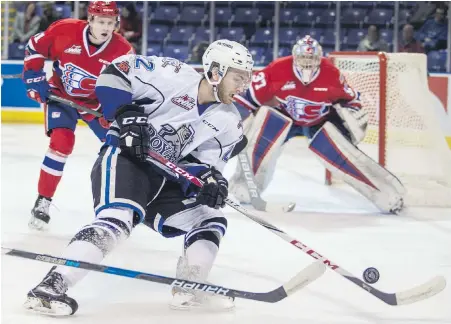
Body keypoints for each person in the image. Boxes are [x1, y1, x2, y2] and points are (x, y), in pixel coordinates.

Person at [24, 39, 253, 315]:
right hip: (125, 160)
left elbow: (203, 165)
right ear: (216, 72)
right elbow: (114, 72)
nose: (243, 86)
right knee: (119, 219)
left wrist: (211, 182)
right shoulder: (172, 74)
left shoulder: (229, 121)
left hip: (164, 180)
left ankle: (191, 284)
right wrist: (127, 113)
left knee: (209, 218)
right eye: (239, 77)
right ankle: (51, 286)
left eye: (246, 79)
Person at [232, 35, 405, 214]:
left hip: (319, 122)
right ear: (294, 57)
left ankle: (387, 194)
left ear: (319, 59)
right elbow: (246, 99)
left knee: (345, 158)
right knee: (261, 136)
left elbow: (352, 100)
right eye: (303, 58)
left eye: (312, 59)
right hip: (286, 118)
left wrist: (352, 117)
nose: (307, 63)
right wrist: (236, 121)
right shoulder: (277, 69)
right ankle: (244, 187)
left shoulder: (331, 74)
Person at [23, 1, 134, 230]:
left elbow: (128, 86)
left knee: (119, 149)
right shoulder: (65, 30)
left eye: (110, 23)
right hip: (60, 95)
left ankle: (121, 207)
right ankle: (43, 201)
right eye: (101, 22)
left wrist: (114, 110)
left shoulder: (123, 52)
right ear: (90, 20)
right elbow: (35, 46)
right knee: (61, 142)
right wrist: (33, 76)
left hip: (96, 105)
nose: (105, 28)